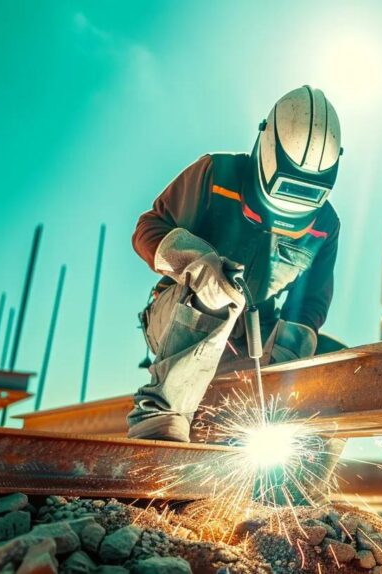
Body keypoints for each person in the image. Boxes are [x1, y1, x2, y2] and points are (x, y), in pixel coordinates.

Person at [128, 85, 342, 443]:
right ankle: (161, 420)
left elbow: (309, 305)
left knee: (334, 360)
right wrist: (197, 264)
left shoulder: (324, 225)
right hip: (180, 318)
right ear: (268, 153)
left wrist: (284, 367)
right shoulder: (216, 174)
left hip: (254, 333)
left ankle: (300, 473)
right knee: (216, 293)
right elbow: (147, 230)